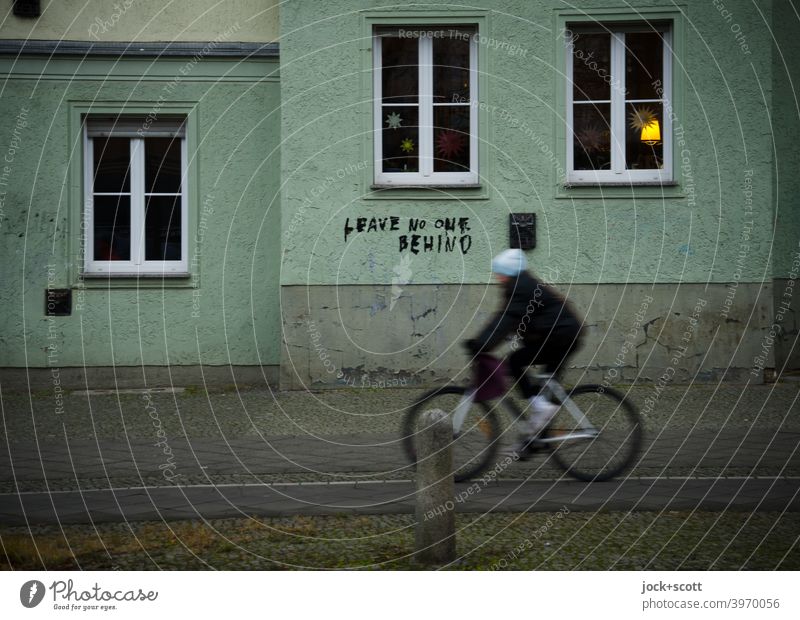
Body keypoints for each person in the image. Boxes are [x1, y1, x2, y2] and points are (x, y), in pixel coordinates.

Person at [465, 248, 583, 453]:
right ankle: (536, 439)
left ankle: (539, 413)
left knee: (514, 362)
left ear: (509, 273)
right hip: (562, 336)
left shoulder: (520, 288)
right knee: (543, 387)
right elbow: (511, 320)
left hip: (560, 337)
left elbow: (504, 320)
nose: (498, 277)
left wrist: (480, 345)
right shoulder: (523, 284)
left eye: (500, 273)